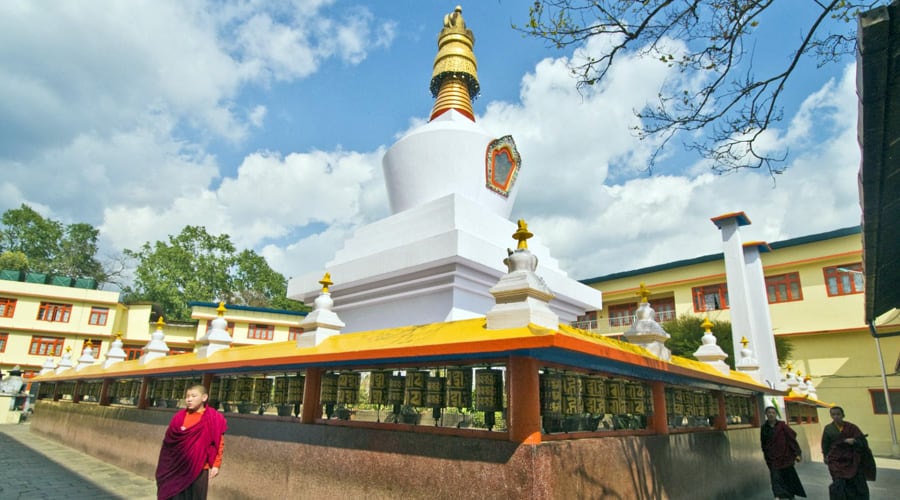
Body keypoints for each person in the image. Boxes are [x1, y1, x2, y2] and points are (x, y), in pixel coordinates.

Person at [156, 384, 228, 500]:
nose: (189, 399)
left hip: (199, 468)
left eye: (193, 396)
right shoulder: (179, 417)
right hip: (176, 467)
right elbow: (168, 444)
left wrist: (216, 464)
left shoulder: (213, 418)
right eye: (187, 396)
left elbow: (219, 442)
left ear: (204, 397)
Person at [821, 406, 876, 500]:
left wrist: (854, 441)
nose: (836, 416)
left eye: (838, 414)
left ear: (843, 415)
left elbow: (862, 441)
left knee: (857, 483)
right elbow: (825, 444)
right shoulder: (828, 428)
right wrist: (825, 456)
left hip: (852, 460)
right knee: (839, 483)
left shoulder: (852, 427)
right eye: (833, 414)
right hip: (836, 460)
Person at [760, 406, 807, 499]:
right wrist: (766, 454)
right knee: (775, 477)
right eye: (769, 412)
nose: (771, 414)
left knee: (788, 476)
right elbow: (764, 443)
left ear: (776, 414)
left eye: (773, 412)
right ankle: (778, 495)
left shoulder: (782, 426)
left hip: (785, 456)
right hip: (772, 457)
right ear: (766, 414)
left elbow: (792, 438)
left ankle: (790, 495)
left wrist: (797, 453)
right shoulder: (764, 428)